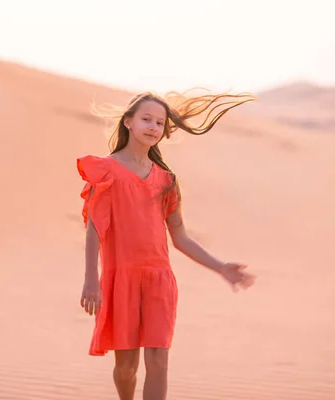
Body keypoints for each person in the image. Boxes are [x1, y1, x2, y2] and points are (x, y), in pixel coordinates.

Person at [77, 90, 257, 400]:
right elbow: (94, 228)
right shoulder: (105, 170)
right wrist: (91, 280)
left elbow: (181, 238)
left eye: (159, 122)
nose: (153, 126)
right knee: (127, 367)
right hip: (121, 279)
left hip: (160, 281)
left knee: (159, 362)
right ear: (129, 122)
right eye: (146, 119)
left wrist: (220, 267)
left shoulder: (167, 181)